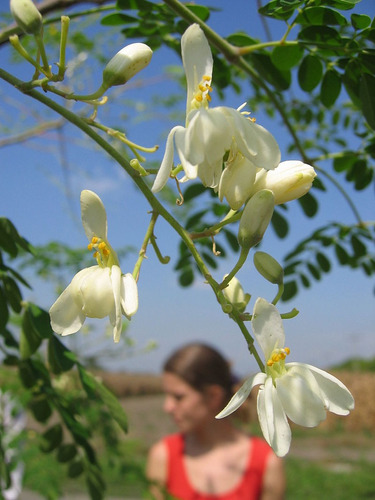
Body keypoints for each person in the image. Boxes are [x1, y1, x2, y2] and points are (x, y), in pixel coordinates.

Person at [146, 342, 286, 500]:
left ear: (213, 396)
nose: (168, 407)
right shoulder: (163, 456)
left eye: (179, 397)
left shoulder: (265, 463)